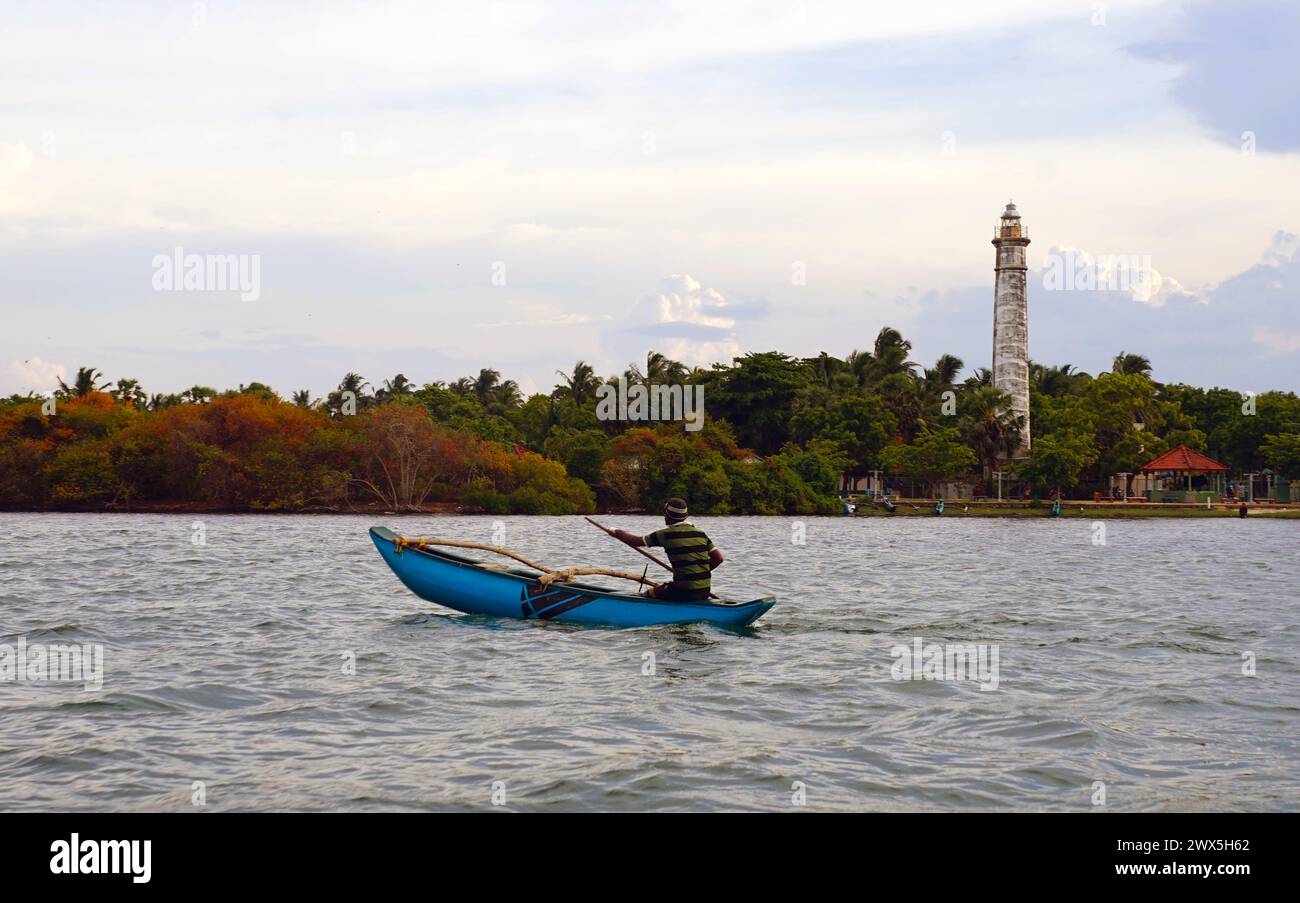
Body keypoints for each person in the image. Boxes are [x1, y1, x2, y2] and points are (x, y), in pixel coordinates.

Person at [612, 498, 723, 601]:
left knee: (647, 594)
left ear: (668, 515)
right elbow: (718, 559)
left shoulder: (665, 535)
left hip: (683, 592)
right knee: (665, 588)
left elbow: (634, 541)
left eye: (665, 514)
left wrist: (616, 532)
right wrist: (695, 575)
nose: (664, 516)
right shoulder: (700, 534)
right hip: (704, 591)